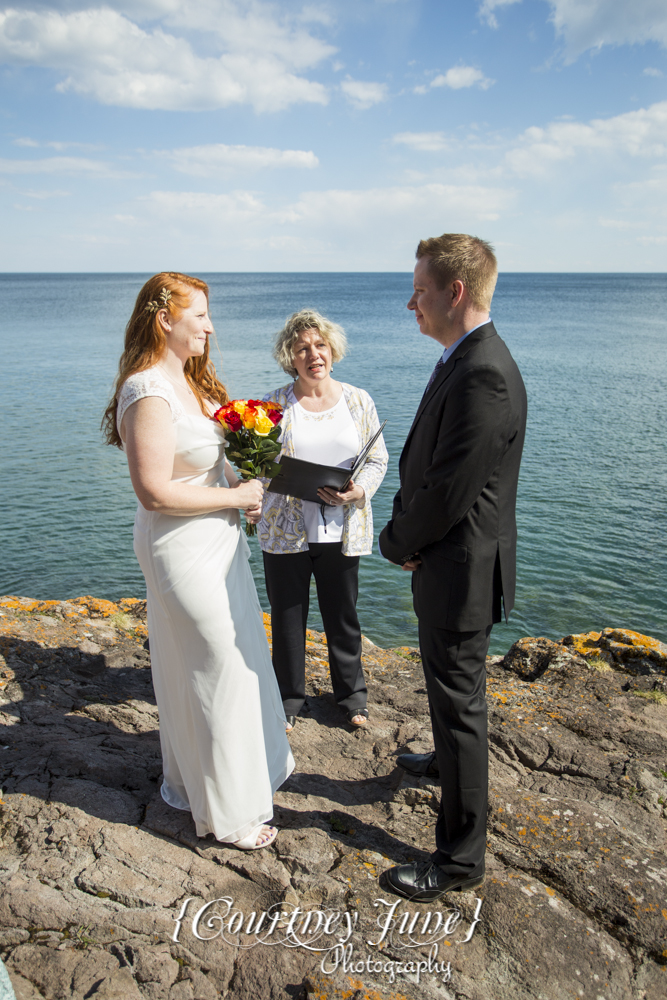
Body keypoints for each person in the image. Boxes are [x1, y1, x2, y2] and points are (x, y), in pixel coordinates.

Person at [103, 272, 293, 850]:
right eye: (201, 315)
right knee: (216, 665)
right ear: (165, 319)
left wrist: (247, 486)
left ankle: (196, 782)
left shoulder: (194, 385)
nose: (211, 326)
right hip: (179, 548)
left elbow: (212, 467)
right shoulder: (147, 391)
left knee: (227, 660)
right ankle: (230, 815)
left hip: (220, 541)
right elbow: (155, 491)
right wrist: (236, 497)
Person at [379, 234, 527, 900]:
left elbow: (449, 489)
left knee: (460, 704)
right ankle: (442, 764)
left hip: (459, 568)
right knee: (448, 691)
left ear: (454, 292)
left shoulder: (483, 370)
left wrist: (395, 539)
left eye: (419, 289)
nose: (411, 301)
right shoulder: (462, 358)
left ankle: (459, 859)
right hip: (450, 561)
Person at [258, 309, 388, 731]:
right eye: (302, 349)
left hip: (342, 527)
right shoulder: (273, 405)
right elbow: (257, 464)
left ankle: (352, 698)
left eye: (320, 346)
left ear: (332, 350)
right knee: (287, 617)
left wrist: (358, 490)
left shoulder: (358, 399)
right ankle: (289, 700)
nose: (313, 354)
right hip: (285, 530)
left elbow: (377, 458)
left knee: (342, 614)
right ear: (290, 358)